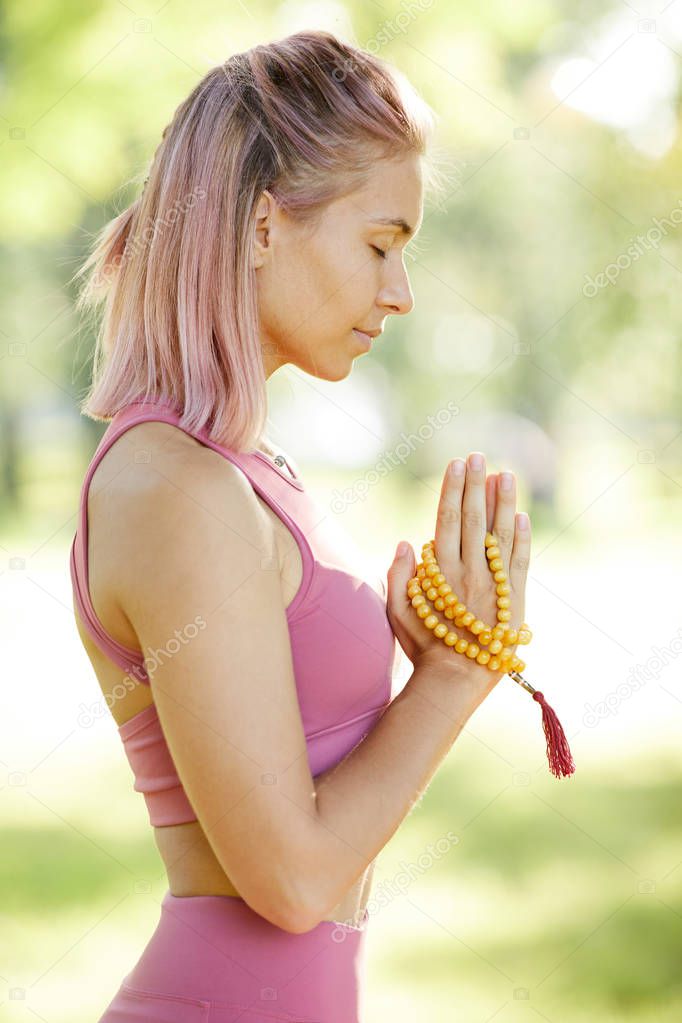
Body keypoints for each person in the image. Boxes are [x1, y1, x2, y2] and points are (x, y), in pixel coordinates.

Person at [69, 28, 530, 1023]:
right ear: (262, 225)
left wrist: (417, 659)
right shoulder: (180, 491)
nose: (399, 294)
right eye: (379, 245)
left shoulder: (243, 473)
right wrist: (453, 680)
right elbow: (291, 881)